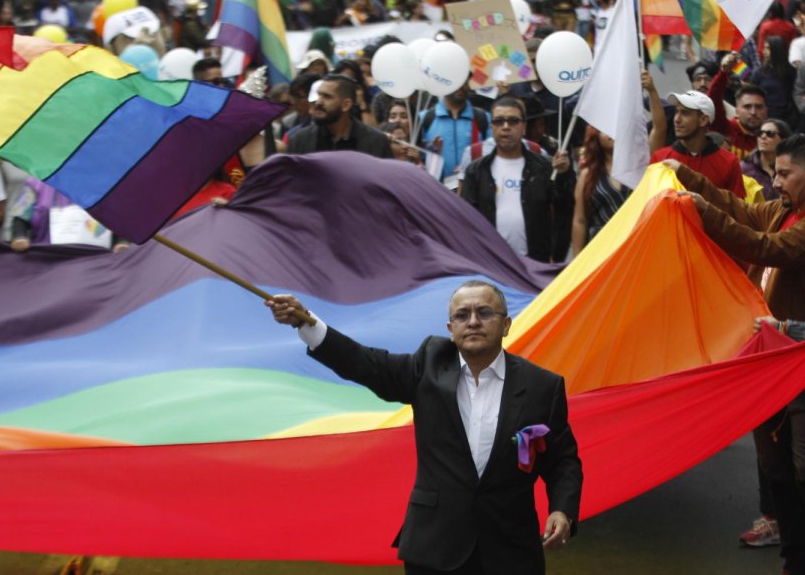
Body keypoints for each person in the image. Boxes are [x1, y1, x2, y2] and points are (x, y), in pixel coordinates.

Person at [266, 281, 582, 574]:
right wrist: (304, 322)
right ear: (450, 328)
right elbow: (365, 363)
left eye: (484, 313)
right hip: (435, 549)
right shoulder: (429, 364)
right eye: (462, 315)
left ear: (506, 325)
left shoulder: (543, 386)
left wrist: (562, 510)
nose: (472, 321)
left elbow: (563, 461)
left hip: (510, 552)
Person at [667, 134, 805, 575]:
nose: (775, 180)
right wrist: (682, 174)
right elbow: (743, 212)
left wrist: (700, 210)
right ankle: (795, 562)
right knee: (777, 471)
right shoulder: (786, 210)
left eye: (783, 172)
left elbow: (763, 248)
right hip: (767, 361)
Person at [460, 97, 573, 263]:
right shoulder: (476, 171)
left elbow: (565, 211)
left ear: (524, 127)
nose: (506, 127)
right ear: (491, 127)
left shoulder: (545, 167)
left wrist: (564, 175)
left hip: (536, 264)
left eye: (513, 121)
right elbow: (467, 222)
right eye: (499, 121)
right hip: (493, 265)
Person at [650, 91, 745, 198]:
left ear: (703, 120)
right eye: (676, 112)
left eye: (685, 113)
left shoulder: (729, 162)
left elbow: (737, 209)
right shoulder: (660, 157)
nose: (677, 119)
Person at [286, 74, 393, 158]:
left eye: (327, 97)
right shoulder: (300, 141)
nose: (318, 102)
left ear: (346, 105)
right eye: (319, 95)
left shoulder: (375, 142)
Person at [571, 127, 630, 256]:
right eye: (605, 129)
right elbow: (580, 220)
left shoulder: (637, 168)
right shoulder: (587, 175)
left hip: (632, 243)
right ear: (595, 136)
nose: (612, 132)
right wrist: (576, 263)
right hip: (600, 248)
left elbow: (659, 131)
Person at [420, 82, 489, 181]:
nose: (460, 86)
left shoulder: (482, 117)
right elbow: (417, 156)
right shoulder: (425, 118)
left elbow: (491, 152)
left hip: (472, 187)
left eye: (464, 81)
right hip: (435, 187)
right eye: (456, 81)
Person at [708, 62, 769, 159]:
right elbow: (713, 100)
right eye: (747, 107)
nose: (753, 112)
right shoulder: (724, 128)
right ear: (736, 111)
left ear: (766, 111)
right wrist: (723, 73)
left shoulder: (772, 137)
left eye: (758, 107)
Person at [751, 36, 801, 133]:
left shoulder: (790, 72)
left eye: (768, 48)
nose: (764, 51)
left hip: (786, 119)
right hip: (765, 117)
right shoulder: (761, 72)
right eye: (764, 48)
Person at [740, 119, 790, 201]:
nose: (763, 137)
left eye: (770, 134)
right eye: (760, 133)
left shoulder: (791, 167)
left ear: (783, 140)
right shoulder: (744, 168)